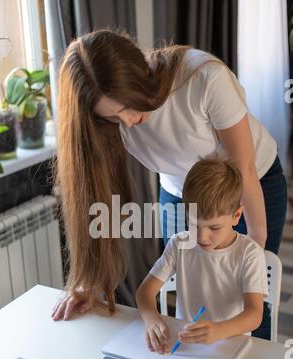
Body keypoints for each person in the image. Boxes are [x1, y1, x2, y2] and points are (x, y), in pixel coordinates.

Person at [52, 29, 286, 340]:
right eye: (114, 116)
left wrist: (256, 249)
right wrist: (90, 280)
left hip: (248, 181)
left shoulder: (203, 77)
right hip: (180, 191)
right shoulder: (106, 119)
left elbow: (243, 167)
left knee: (248, 295)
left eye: (128, 105)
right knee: (191, 284)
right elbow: (99, 198)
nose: (128, 121)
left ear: (139, 76)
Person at [136, 158, 269, 354]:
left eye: (214, 227)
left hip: (231, 348)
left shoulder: (249, 254)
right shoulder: (179, 244)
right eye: (194, 224)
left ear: (236, 216)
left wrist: (219, 330)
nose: (201, 236)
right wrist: (152, 321)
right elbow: (144, 293)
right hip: (186, 349)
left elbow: (254, 315)